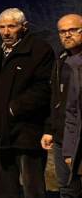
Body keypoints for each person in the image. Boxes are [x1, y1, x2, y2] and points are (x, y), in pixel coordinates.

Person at [0, 8, 53, 198]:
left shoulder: (40, 50)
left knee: (32, 186)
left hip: (27, 130)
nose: (6, 32)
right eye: (1, 27)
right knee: (3, 186)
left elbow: (43, 88)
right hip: (0, 130)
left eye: (11, 26)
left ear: (24, 26)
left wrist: (13, 108)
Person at [51, 14, 82, 198]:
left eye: (72, 30)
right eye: (62, 32)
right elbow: (55, 100)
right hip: (61, 136)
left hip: (79, 137)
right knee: (66, 189)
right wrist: (50, 129)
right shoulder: (61, 61)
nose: (67, 35)